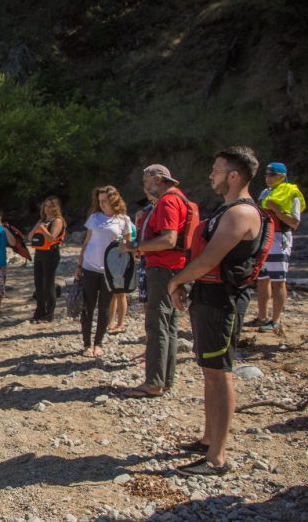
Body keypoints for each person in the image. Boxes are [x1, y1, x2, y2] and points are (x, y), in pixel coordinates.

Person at [168, 146, 263, 476]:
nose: (211, 174)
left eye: (217, 169)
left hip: (223, 303)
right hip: (208, 299)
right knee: (210, 372)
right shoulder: (228, 210)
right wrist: (186, 285)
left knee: (220, 375)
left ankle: (216, 458)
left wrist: (174, 282)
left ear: (234, 176)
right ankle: (209, 439)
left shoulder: (242, 214)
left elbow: (209, 261)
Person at [123, 165, 191, 398]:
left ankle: (153, 382)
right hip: (173, 268)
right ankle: (165, 379)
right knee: (169, 323)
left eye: (146, 181)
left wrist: (136, 246)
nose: (144, 186)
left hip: (163, 268)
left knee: (157, 324)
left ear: (159, 179)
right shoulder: (177, 200)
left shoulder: (168, 202)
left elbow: (169, 239)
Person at [76, 186, 131, 357]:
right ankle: (86, 344)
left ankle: (98, 343)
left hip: (110, 271)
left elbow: (126, 248)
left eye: (105, 200)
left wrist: (123, 271)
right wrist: (79, 265)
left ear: (114, 200)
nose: (102, 204)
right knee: (87, 307)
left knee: (105, 307)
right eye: (99, 201)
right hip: (89, 267)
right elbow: (86, 242)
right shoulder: (94, 217)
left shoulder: (124, 220)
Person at [248, 162, 303, 333]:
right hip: (264, 239)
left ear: (282, 176)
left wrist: (277, 210)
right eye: (266, 175)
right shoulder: (265, 192)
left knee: (278, 281)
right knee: (262, 279)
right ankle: (262, 317)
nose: (268, 178)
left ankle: (276, 319)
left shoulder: (292, 194)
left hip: (280, 239)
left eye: (272, 175)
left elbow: (294, 222)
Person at [29, 196, 65, 324]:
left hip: (51, 254)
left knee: (48, 283)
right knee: (38, 283)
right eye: (46, 206)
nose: (48, 209)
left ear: (55, 208)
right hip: (39, 254)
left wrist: (43, 229)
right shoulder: (42, 220)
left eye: (50, 206)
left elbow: (51, 238)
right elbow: (29, 237)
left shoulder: (58, 221)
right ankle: (39, 312)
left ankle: (49, 315)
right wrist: (37, 227)